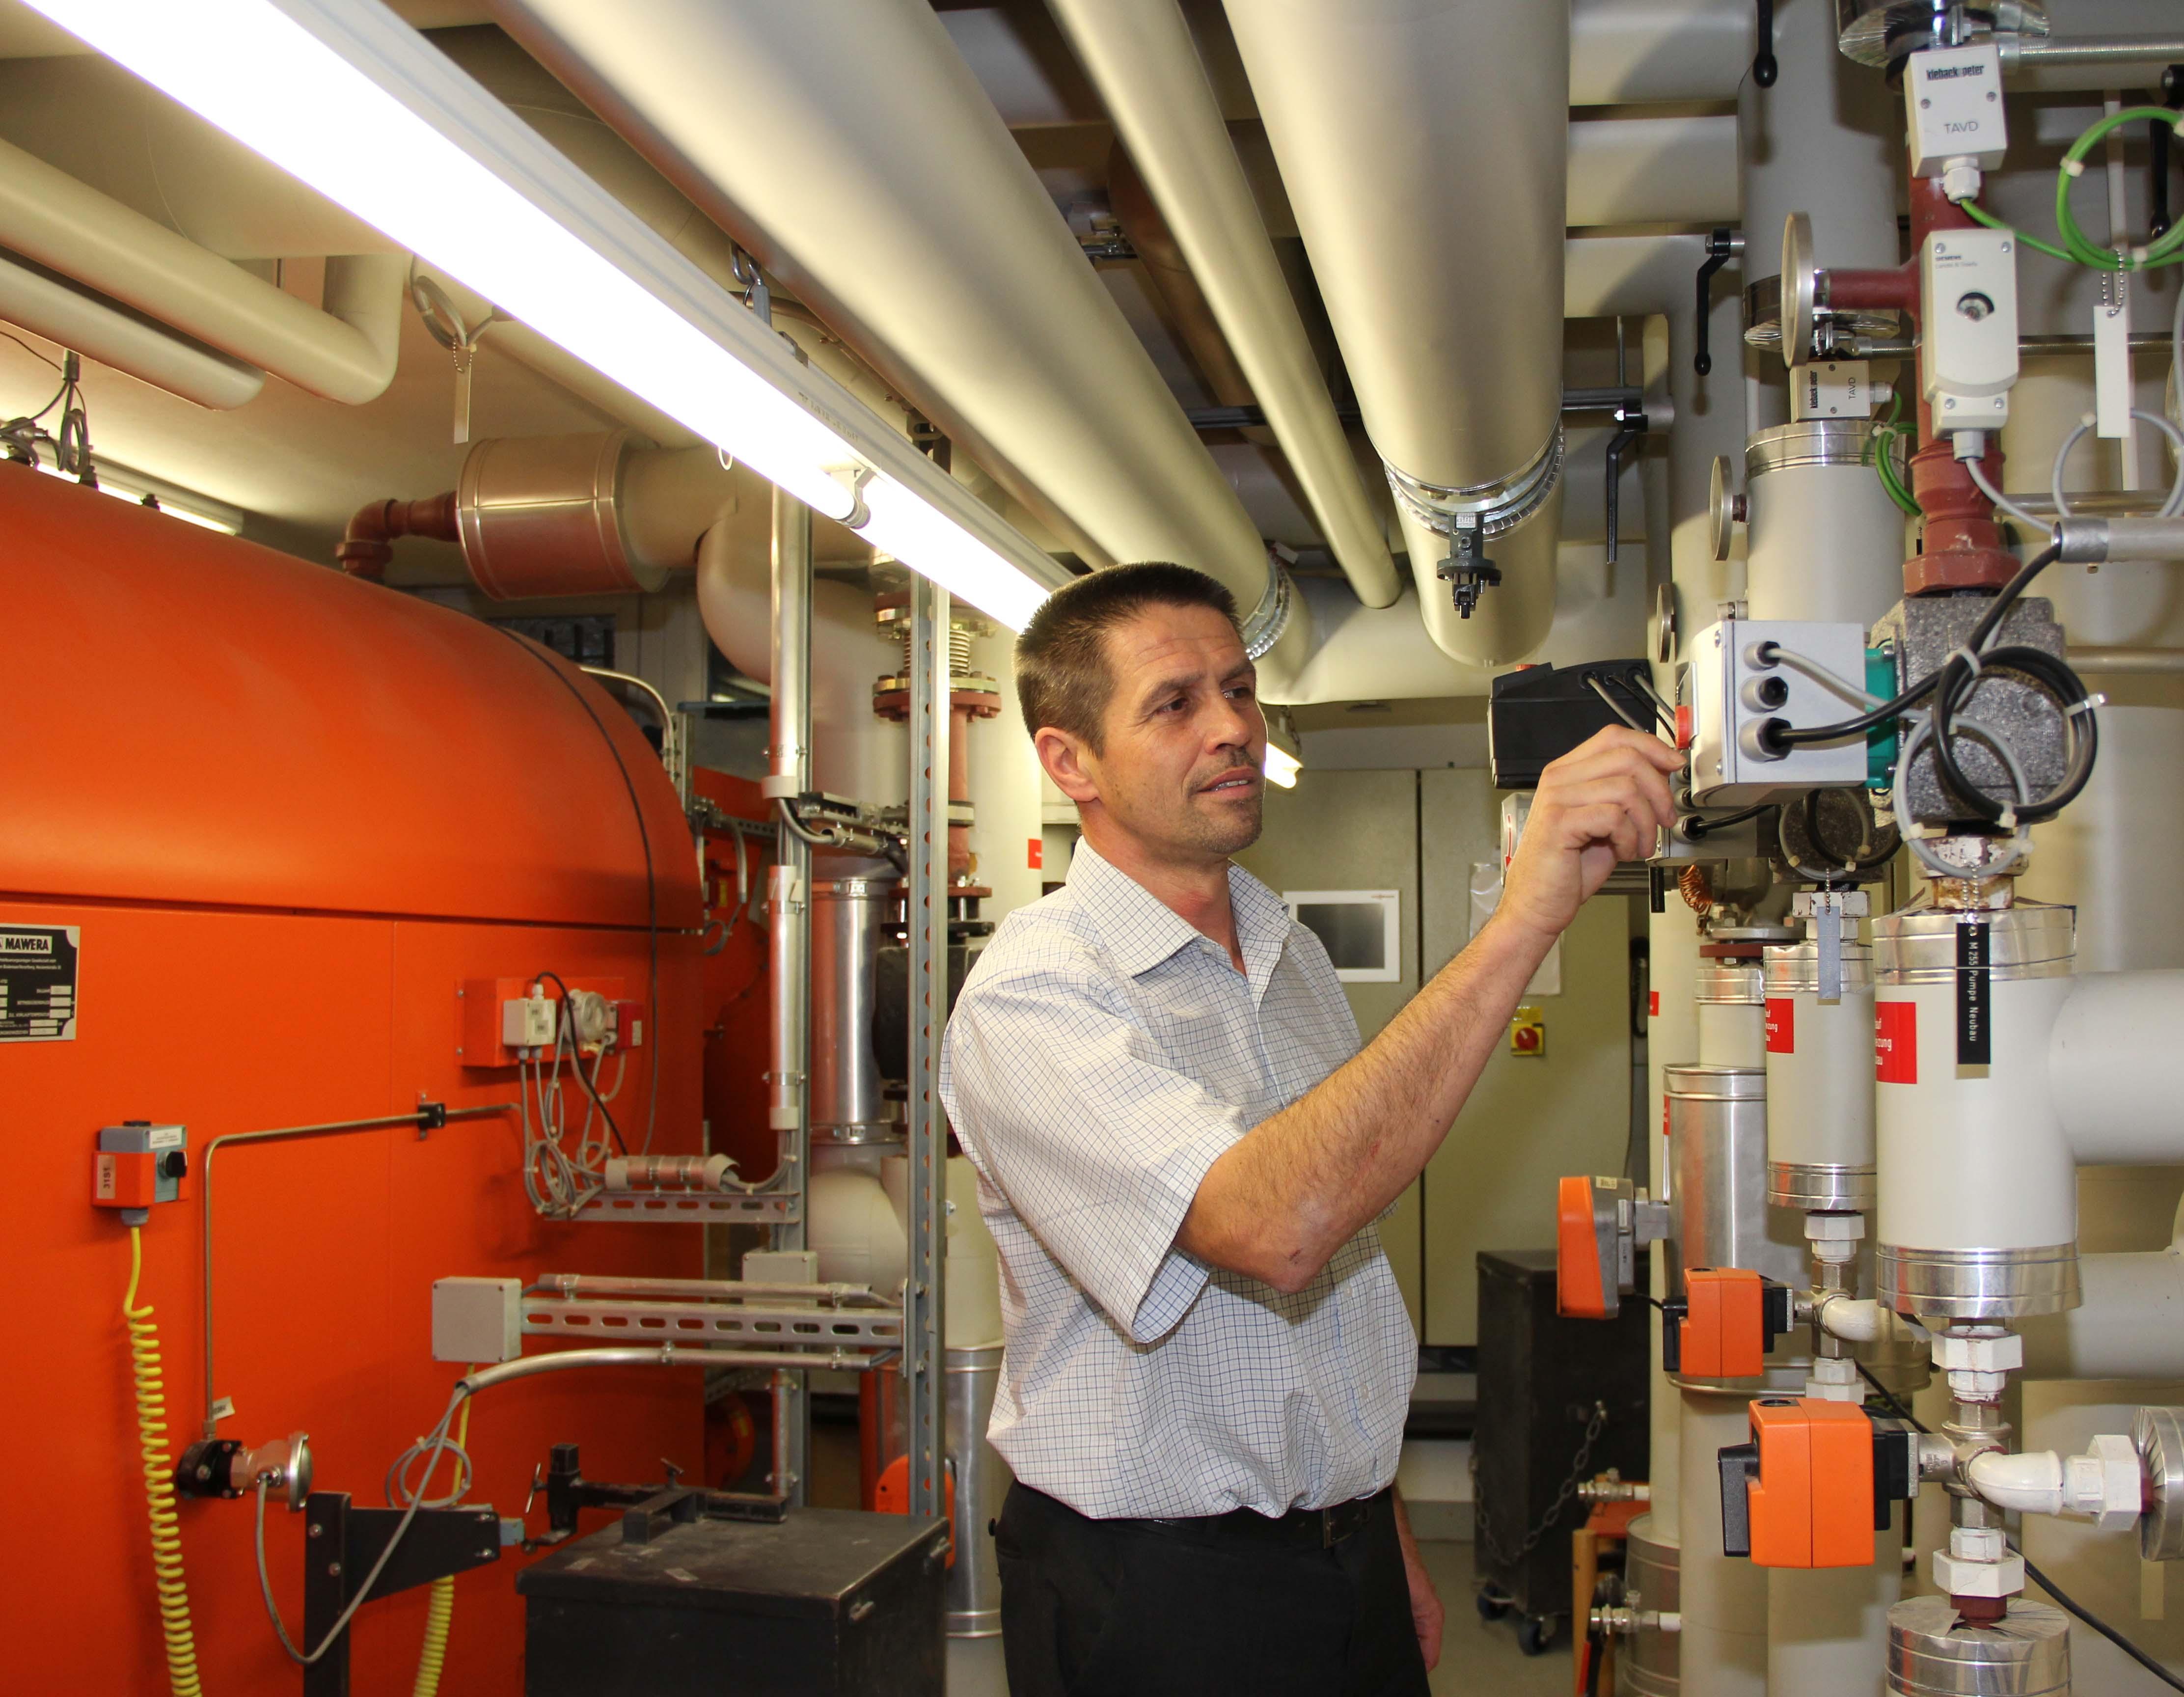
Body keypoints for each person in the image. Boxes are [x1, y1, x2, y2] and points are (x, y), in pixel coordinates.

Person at [940, 562, 1682, 1697]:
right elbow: (1278, 1223)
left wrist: (1376, 1535)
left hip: (1341, 1557)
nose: (1233, 727)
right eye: (1175, 703)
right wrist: (1522, 917)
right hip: (1159, 1589)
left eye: (1239, 690)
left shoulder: (1285, 954)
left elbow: (1332, 1281)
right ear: (1067, 761)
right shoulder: (1036, 994)